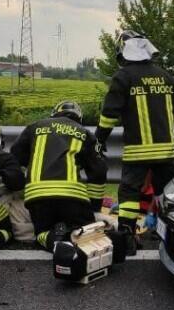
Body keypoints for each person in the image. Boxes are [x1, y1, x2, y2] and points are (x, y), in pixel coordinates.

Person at [96, 31, 174, 234]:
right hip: (166, 151)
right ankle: (170, 234)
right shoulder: (165, 76)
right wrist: (173, 135)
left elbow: (109, 115)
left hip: (137, 152)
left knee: (129, 193)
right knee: (167, 193)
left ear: (123, 52)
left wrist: (99, 140)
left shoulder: (123, 77)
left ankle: (127, 236)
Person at [11, 100, 107, 250]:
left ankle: (53, 240)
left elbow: (15, 157)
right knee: (85, 231)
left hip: (37, 196)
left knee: (42, 231)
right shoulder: (85, 133)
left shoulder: (35, 127)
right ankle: (74, 236)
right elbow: (99, 172)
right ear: (79, 118)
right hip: (72, 196)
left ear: (54, 114)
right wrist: (94, 207)